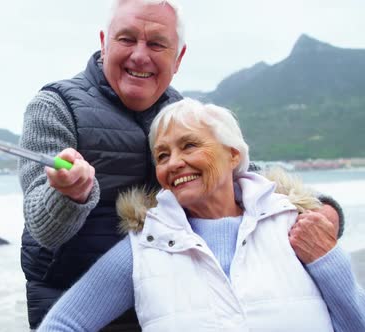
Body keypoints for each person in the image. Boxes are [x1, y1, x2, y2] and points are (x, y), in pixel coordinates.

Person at [18, 0, 344, 330]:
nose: (140, 55)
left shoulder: (179, 110)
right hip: (81, 304)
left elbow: (238, 171)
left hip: (170, 300)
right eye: (127, 39)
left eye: (157, 43)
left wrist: (321, 209)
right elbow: (44, 230)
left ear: (179, 58)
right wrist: (68, 194)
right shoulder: (55, 107)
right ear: (104, 42)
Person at [37, 98, 365, 331]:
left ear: (233, 154)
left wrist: (329, 260)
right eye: (162, 155)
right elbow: (64, 323)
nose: (174, 162)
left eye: (190, 145)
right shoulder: (144, 248)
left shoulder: (296, 227)